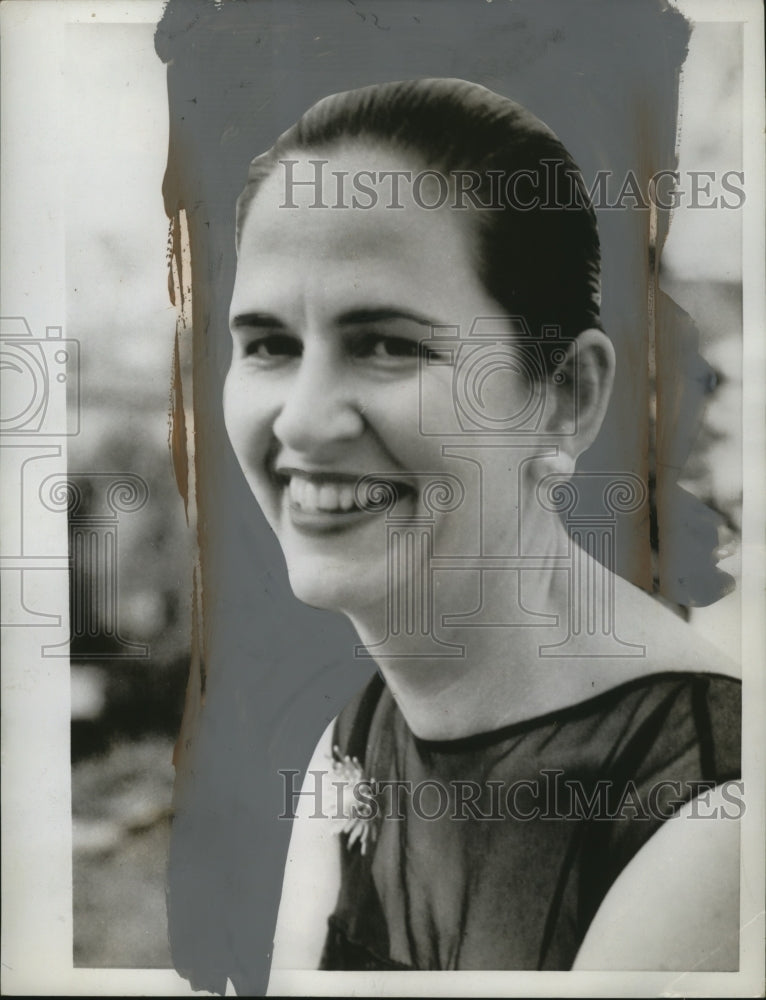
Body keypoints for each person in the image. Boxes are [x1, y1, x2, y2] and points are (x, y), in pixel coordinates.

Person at [222, 78, 741, 976]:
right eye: (270, 344)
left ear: (565, 398)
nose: (302, 422)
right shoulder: (362, 735)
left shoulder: (721, 812)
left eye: (388, 342)